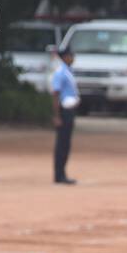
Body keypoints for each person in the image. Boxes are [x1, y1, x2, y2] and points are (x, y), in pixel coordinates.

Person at [50, 45, 79, 184]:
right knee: (61, 144)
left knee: (66, 143)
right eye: (71, 55)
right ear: (65, 57)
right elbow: (56, 94)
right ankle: (59, 175)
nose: (73, 58)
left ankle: (62, 173)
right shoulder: (61, 72)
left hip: (70, 109)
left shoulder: (68, 71)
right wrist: (57, 116)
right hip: (63, 110)